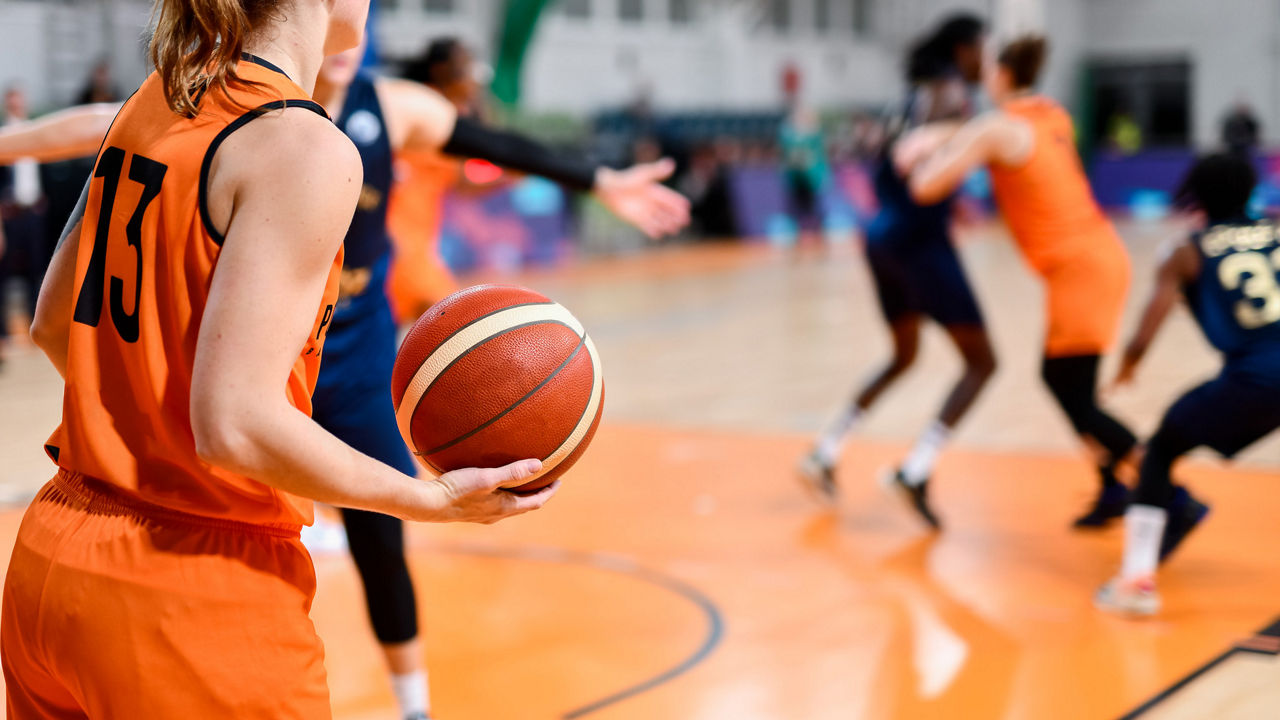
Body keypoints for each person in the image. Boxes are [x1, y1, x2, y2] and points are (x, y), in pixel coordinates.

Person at [1, 1, 562, 716]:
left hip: (52, 562)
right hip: (193, 592)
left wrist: (147, 430)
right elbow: (236, 427)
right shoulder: (304, 147)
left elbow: (54, 322)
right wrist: (431, 500)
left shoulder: (156, 98)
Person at [308, 40, 688, 720]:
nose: (341, 20)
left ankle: (414, 706)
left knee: (383, 540)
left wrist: (598, 180)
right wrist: (43, 140)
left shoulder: (396, 108)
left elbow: (496, 143)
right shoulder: (248, 106)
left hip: (362, 331)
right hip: (277, 337)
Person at [905, 35, 1139, 527]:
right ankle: (1113, 486)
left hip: (1080, 269)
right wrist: (952, 132)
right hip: (1096, 258)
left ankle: (1163, 487)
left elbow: (927, 186)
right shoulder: (1053, 114)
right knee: (1070, 386)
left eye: (988, 67)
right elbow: (988, 132)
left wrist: (922, 147)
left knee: (1069, 389)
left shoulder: (998, 128)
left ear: (1001, 75)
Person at [800, 13, 996, 530]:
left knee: (903, 355)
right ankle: (917, 468)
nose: (987, 60)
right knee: (983, 363)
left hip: (881, 237)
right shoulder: (949, 94)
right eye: (983, 48)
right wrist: (980, 133)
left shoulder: (905, 97)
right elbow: (918, 160)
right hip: (919, 242)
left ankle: (827, 448)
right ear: (963, 48)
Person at [1096, 154, 1280, 616]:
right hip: (1260, 373)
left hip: (1257, 379)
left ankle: (1136, 582)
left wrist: (1127, 366)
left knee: (1160, 449)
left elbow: (1146, 328)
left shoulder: (1185, 251)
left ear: (1196, 194)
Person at [0, 87, 49, 363]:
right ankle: (4, 334)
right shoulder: (5, 134)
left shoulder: (38, 132)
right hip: (10, 213)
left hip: (33, 212)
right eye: (13, 99)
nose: (17, 103)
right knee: (4, 275)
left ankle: (33, 328)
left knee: (36, 271)